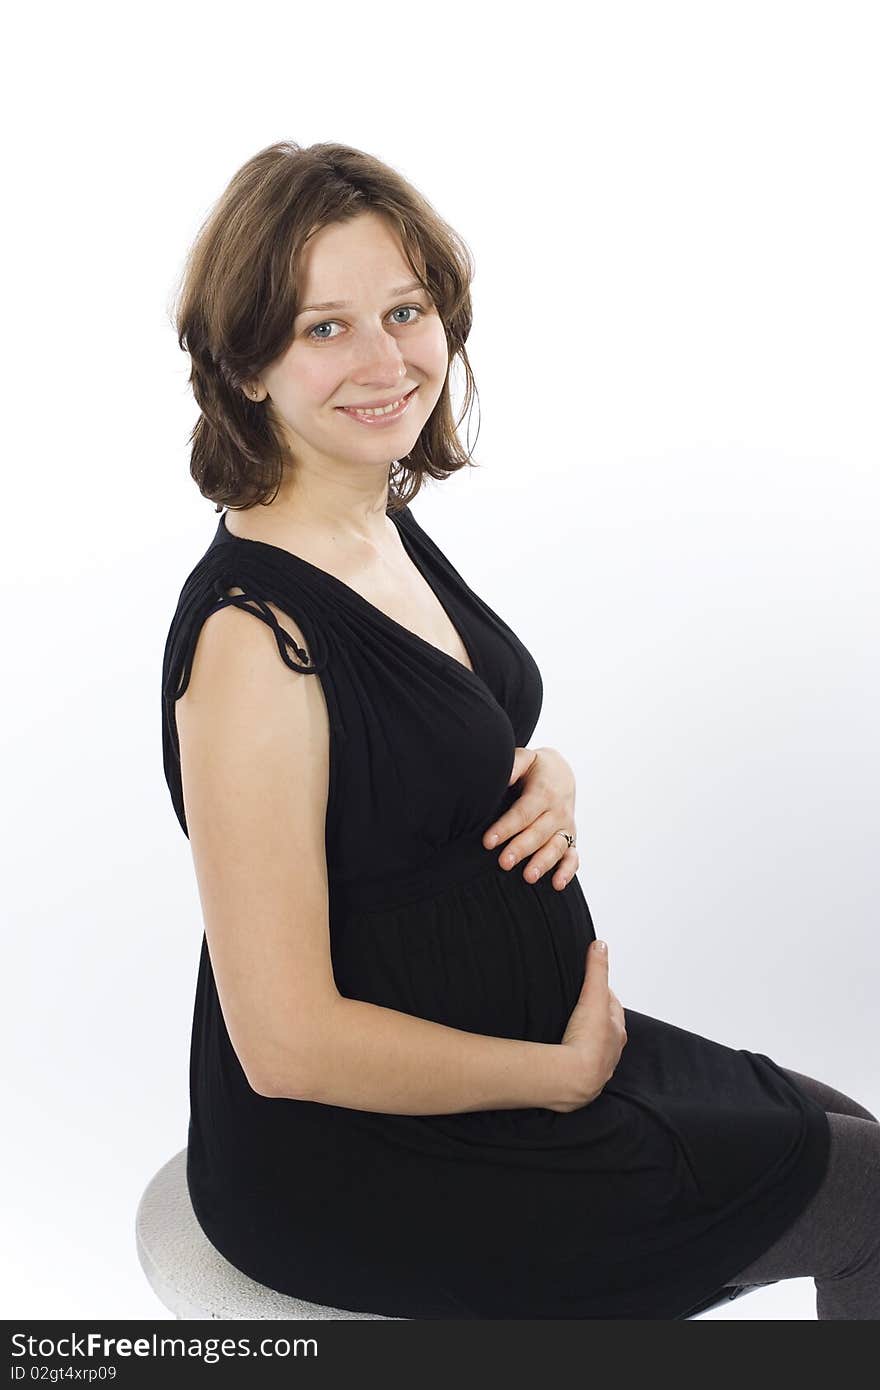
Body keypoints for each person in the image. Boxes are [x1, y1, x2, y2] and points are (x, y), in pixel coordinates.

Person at [160, 140, 879, 1319]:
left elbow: (406, 757)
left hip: (510, 1052)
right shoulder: (252, 640)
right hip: (372, 1154)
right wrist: (556, 1075)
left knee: (849, 1134)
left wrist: (542, 774)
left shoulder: (371, 514)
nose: (389, 360)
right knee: (866, 1195)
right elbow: (283, 1042)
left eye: (405, 309)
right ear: (245, 363)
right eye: (324, 327)